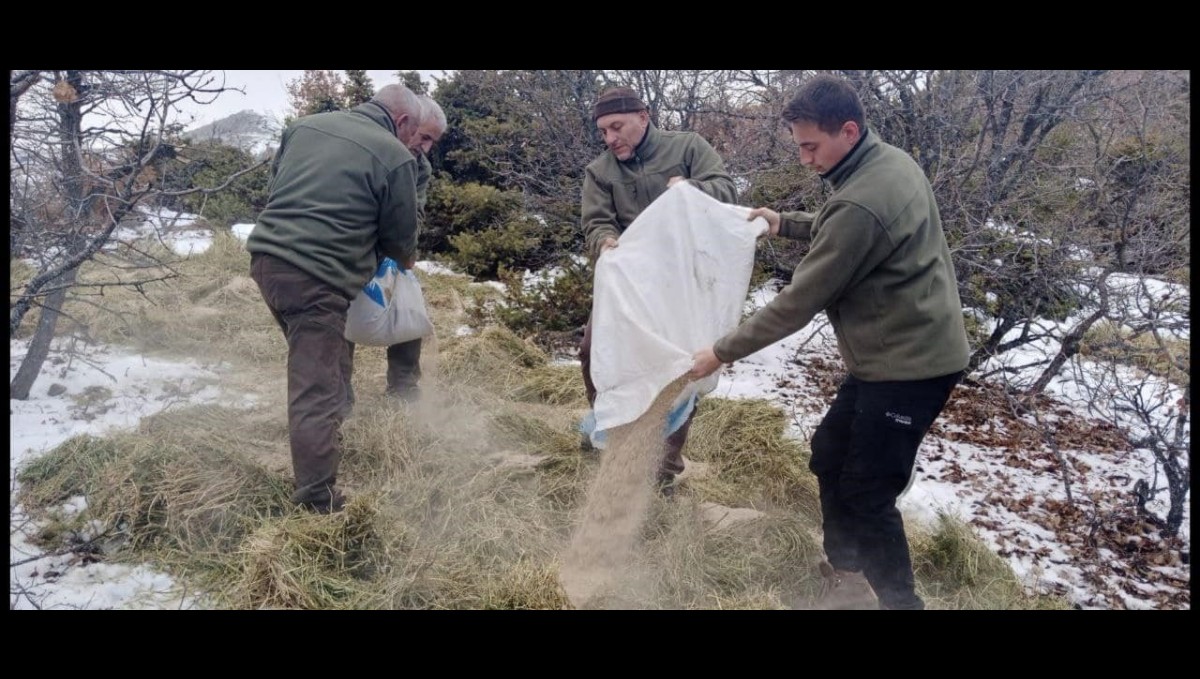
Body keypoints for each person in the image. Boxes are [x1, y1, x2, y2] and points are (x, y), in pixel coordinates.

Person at [689, 74, 970, 610]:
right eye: (798, 146)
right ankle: (847, 574)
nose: (804, 158)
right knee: (829, 455)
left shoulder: (862, 197)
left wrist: (720, 352)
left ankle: (898, 603)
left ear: (848, 129)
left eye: (810, 146)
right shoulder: (888, 163)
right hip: (890, 357)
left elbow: (801, 299)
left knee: (869, 492)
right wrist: (784, 222)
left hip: (910, 368)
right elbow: (844, 224)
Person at [247, 83, 424, 514]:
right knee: (315, 389)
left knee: (324, 363)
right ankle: (316, 501)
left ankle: (334, 431)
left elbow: (277, 190)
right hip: (317, 278)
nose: (412, 143)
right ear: (401, 122)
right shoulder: (394, 154)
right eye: (413, 133)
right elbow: (400, 242)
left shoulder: (303, 127)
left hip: (266, 261)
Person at [580, 85, 738, 496]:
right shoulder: (601, 171)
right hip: (630, 286)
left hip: (684, 285)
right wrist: (604, 242)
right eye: (603, 131)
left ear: (644, 116)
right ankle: (612, 434)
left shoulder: (687, 147)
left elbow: (726, 188)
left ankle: (662, 469)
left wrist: (690, 190)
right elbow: (595, 221)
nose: (610, 138)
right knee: (592, 348)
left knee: (680, 368)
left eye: (617, 127)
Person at [347, 94, 448, 404]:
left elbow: (413, 212)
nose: (426, 147)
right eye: (424, 136)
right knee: (341, 313)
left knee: (408, 306)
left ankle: (403, 390)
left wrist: (402, 251)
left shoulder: (420, 166)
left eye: (433, 141)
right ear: (407, 123)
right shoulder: (367, 144)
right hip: (350, 242)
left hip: (391, 243)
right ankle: (337, 395)